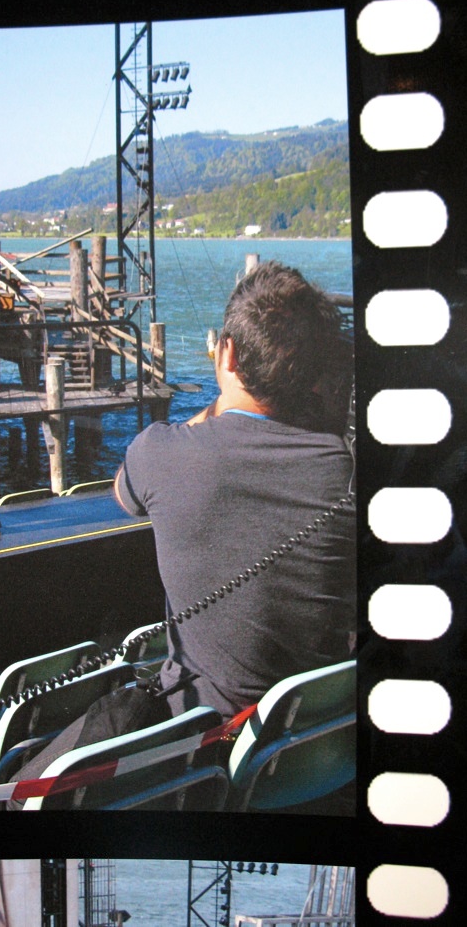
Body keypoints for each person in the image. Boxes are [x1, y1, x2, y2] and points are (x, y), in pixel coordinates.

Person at [113, 259, 355, 721]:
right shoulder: (345, 469)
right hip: (316, 729)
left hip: (200, 736)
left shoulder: (160, 453)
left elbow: (124, 493)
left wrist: (219, 405)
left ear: (228, 355)